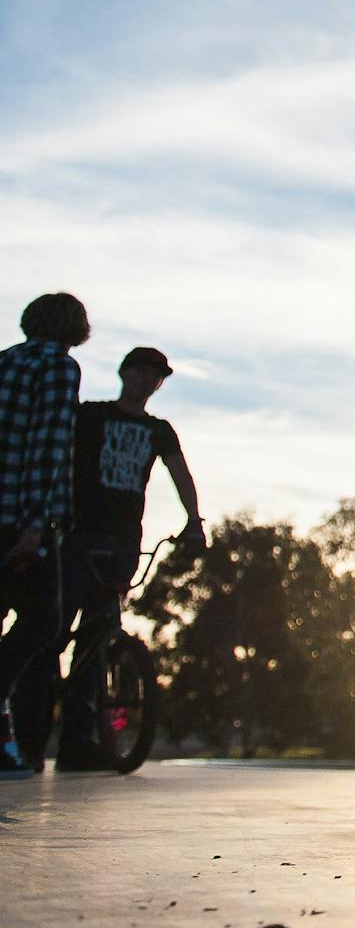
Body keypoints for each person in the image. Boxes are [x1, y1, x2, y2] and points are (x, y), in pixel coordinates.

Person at [12, 346, 203, 770]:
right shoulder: (91, 416)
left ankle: (78, 744)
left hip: (122, 541)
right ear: (124, 373)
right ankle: (28, 741)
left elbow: (179, 473)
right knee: (51, 634)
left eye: (155, 375)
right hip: (77, 536)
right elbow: (53, 454)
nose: (145, 380)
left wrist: (194, 521)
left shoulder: (159, 431)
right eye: (139, 371)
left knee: (98, 638)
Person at [0, 293, 90, 776]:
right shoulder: (58, 367)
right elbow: (48, 446)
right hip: (21, 518)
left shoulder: (5, 360)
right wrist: (36, 524)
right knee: (42, 622)